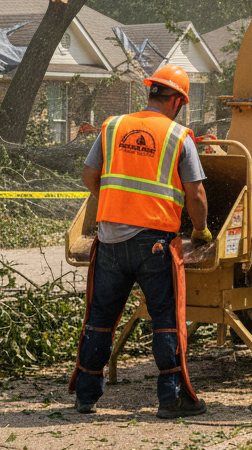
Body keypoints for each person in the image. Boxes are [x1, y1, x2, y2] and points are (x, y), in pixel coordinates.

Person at [71, 65, 212, 419]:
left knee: (100, 318)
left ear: (150, 92)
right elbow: (195, 193)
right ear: (177, 101)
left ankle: (86, 397)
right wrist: (200, 231)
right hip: (154, 243)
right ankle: (171, 399)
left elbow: (90, 175)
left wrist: (115, 203)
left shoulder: (113, 126)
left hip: (109, 240)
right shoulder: (179, 136)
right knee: (165, 318)